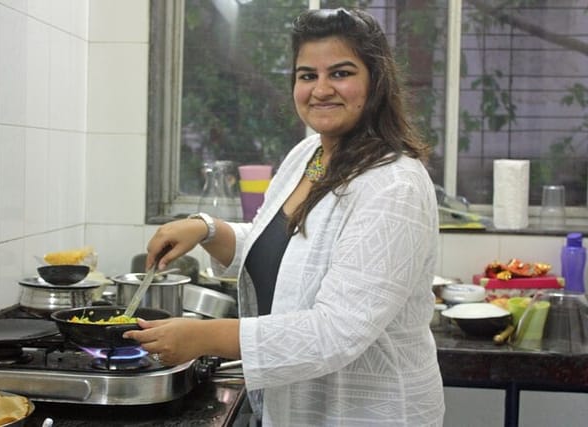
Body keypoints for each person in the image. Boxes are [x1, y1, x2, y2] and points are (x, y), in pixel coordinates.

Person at [124, 8, 445, 426]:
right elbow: (287, 252)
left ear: (376, 81)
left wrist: (204, 337)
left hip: (366, 413)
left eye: (341, 73)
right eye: (307, 75)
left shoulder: (393, 182)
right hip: (296, 409)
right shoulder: (307, 156)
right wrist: (206, 229)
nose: (321, 89)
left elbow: (335, 331)